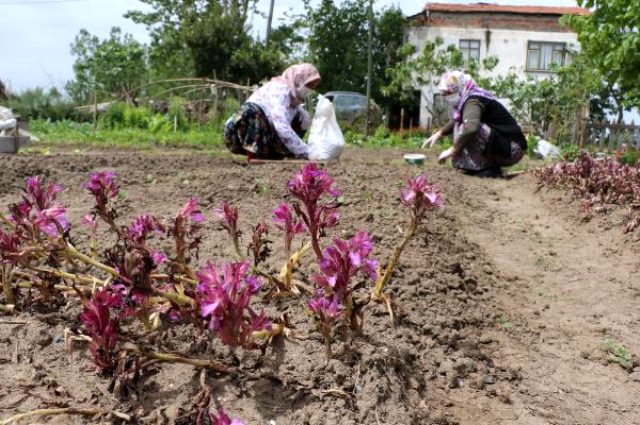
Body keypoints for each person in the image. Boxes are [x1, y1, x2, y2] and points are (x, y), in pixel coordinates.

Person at [422, 71, 526, 177]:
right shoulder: (468, 97)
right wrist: (439, 133)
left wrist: (452, 150)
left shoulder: (473, 100)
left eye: (448, 93)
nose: (445, 97)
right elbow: (456, 120)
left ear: (459, 88)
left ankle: (488, 168)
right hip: (505, 145)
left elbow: (471, 128)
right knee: (462, 124)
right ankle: (475, 167)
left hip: (512, 149)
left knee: (467, 127)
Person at [223, 63, 321, 160]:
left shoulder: (293, 100)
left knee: (303, 116)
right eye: (308, 85)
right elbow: (281, 125)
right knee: (252, 111)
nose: (309, 90)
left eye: (313, 87)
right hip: (234, 133)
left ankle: (279, 153)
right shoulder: (280, 90)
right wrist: (305, 151)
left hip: (266, 133)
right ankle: (253, 155)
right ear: (299, 80)